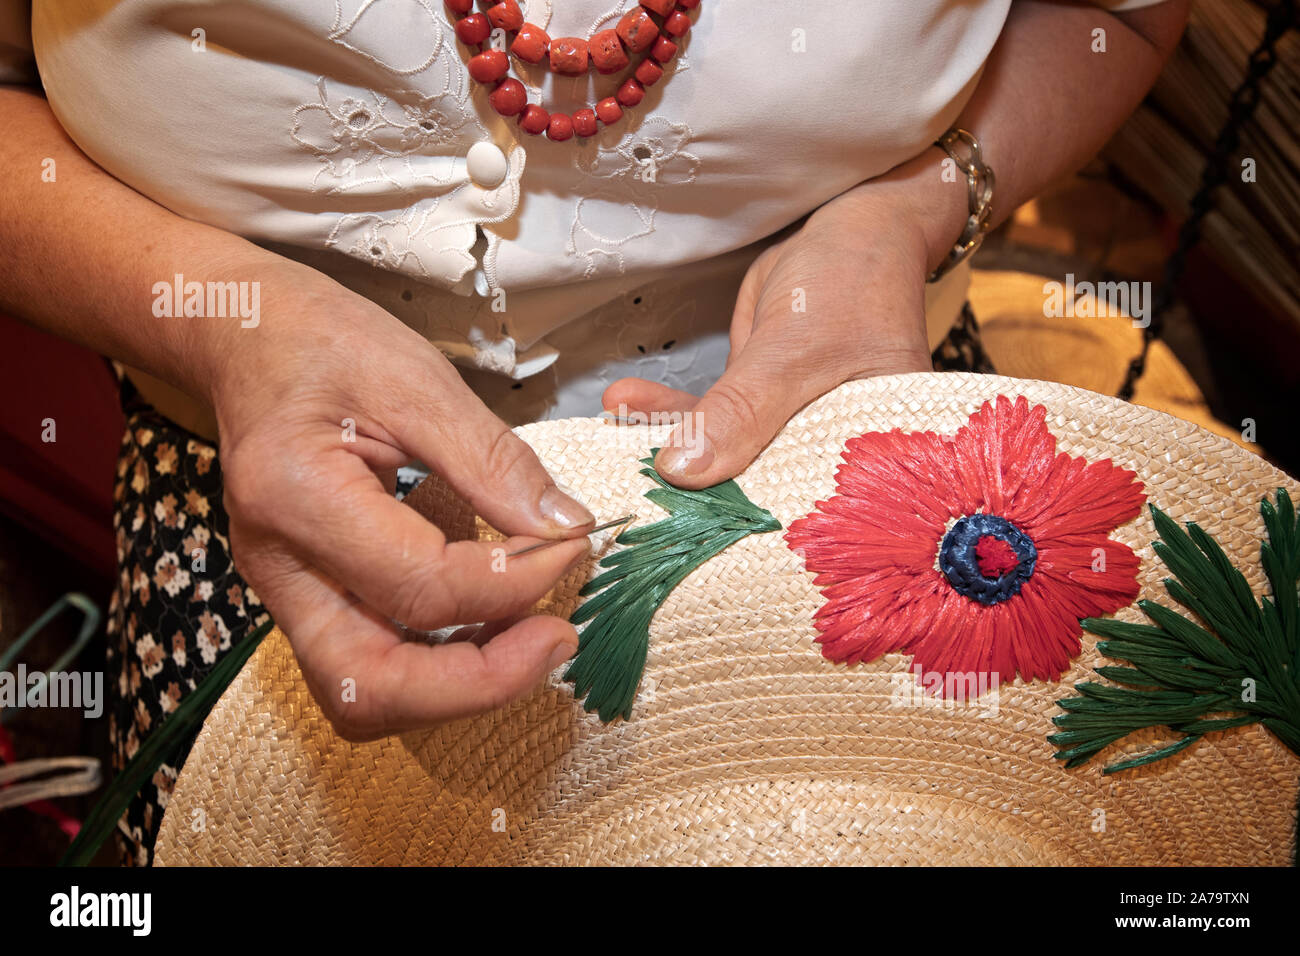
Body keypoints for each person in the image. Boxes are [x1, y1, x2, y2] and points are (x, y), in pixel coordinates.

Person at [0, 0, 1189, 863]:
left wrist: (916, 209)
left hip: (854, 460)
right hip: (270, 513)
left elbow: (1116, 16)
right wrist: (229, 322)